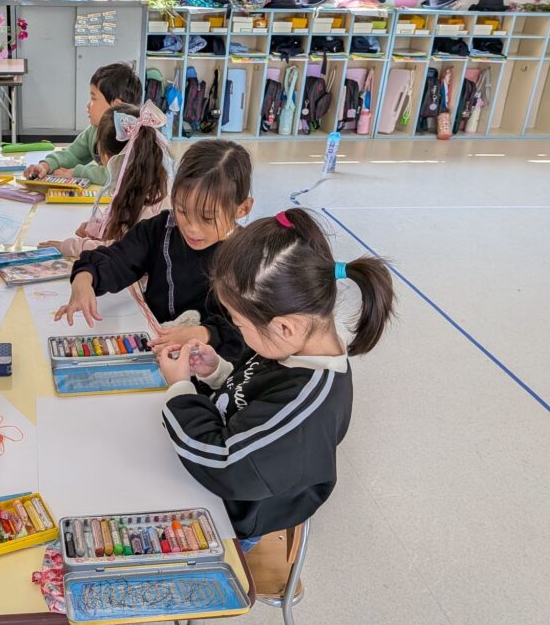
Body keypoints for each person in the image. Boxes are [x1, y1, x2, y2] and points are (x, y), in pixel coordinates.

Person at [156, 208, 395, 549]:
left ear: (284, 327)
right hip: (211, 482)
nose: (236, 330)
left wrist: (180, 390)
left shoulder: (307, 407)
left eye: (239, 323)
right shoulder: (293, 345)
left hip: (229, 519)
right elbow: (252, 396)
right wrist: (217, 372)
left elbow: (224, 461)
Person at [55, 139, 254, 359]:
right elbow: (119, 259)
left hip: (213, 366)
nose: (192, 228)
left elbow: (255, 329)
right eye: (182, 211)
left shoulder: (250, 256)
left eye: (207, 218)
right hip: (155, 347)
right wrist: (85, 277)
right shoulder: (161, 229)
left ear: (243, 208)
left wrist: (205, 333)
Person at [39, 100, 172, 258]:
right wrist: (100, 228)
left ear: (107, 157)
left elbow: (119, 250)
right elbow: (126, 230)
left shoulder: (149, 204)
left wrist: (72, 246)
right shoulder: (143, 185)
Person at [23, 63, 143, 186]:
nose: (88, 105)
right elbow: (72, 154)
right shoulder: (94, 130)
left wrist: (77, 172)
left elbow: (116, 174)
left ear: (116, 106)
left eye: (93, 98)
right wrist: (46, 165)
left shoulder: (131, 136)